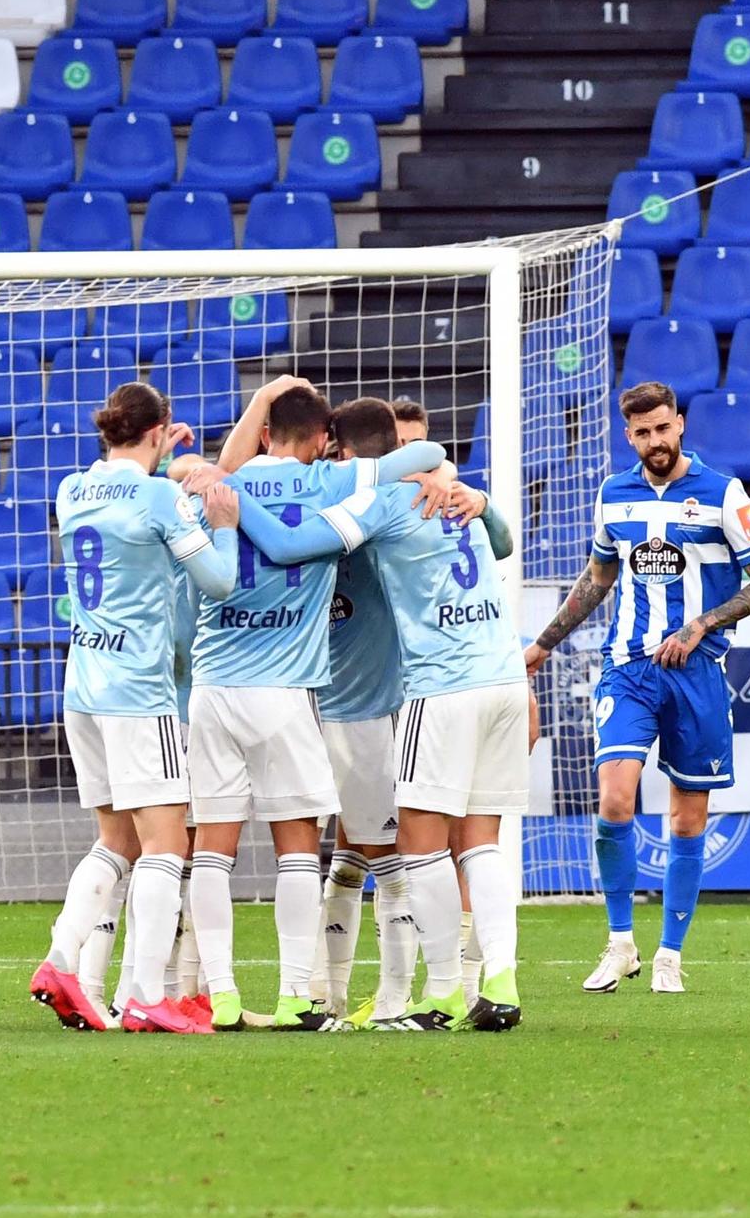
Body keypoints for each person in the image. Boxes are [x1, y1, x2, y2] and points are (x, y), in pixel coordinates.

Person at [229, 420, 534, 1032]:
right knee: (479, 842)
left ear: (348, 459)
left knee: (417, 849)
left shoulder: (383, 499)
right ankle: (499, 983)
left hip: (443, 690)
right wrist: (484, 501)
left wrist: (236, 505)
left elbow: (290, 547)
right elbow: (500, 544)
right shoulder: (457, 492)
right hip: (504, 679)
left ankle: (442, 994)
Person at [174, 381, 448, 1031]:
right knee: (299, 846)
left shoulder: (222, 485)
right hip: (286, 691)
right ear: (323, 440)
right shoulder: (335, 482)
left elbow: (195, 486)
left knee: (211, 846)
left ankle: (221, 994)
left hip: (213, 688)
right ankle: (298, 993)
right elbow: (423, 450)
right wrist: (436, 472)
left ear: (264, 433)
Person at [524, 381, 750, 995]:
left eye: (663, 429)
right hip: (628, 668)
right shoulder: (613, 494)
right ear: (628, 436)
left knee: (687, 818)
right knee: (614, 799)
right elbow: (596, 577)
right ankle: (619, 945)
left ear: (681, 425)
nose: (655, 441)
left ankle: (669, 953)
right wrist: (542, 644)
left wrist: (701, 624)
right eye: (642, 433)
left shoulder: (723, 493)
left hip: (697, 672)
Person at [29, 383, 242, 1036]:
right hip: (138, 689)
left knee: (115, 840)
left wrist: (158, 465)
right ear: (160, 430)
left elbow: (129, 496)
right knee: (165, 843)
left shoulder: (72, 489)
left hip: (83, 686)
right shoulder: (157, 497)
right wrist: (224, 527)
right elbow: (219, 582)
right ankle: (148, 993)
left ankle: (64, 960)